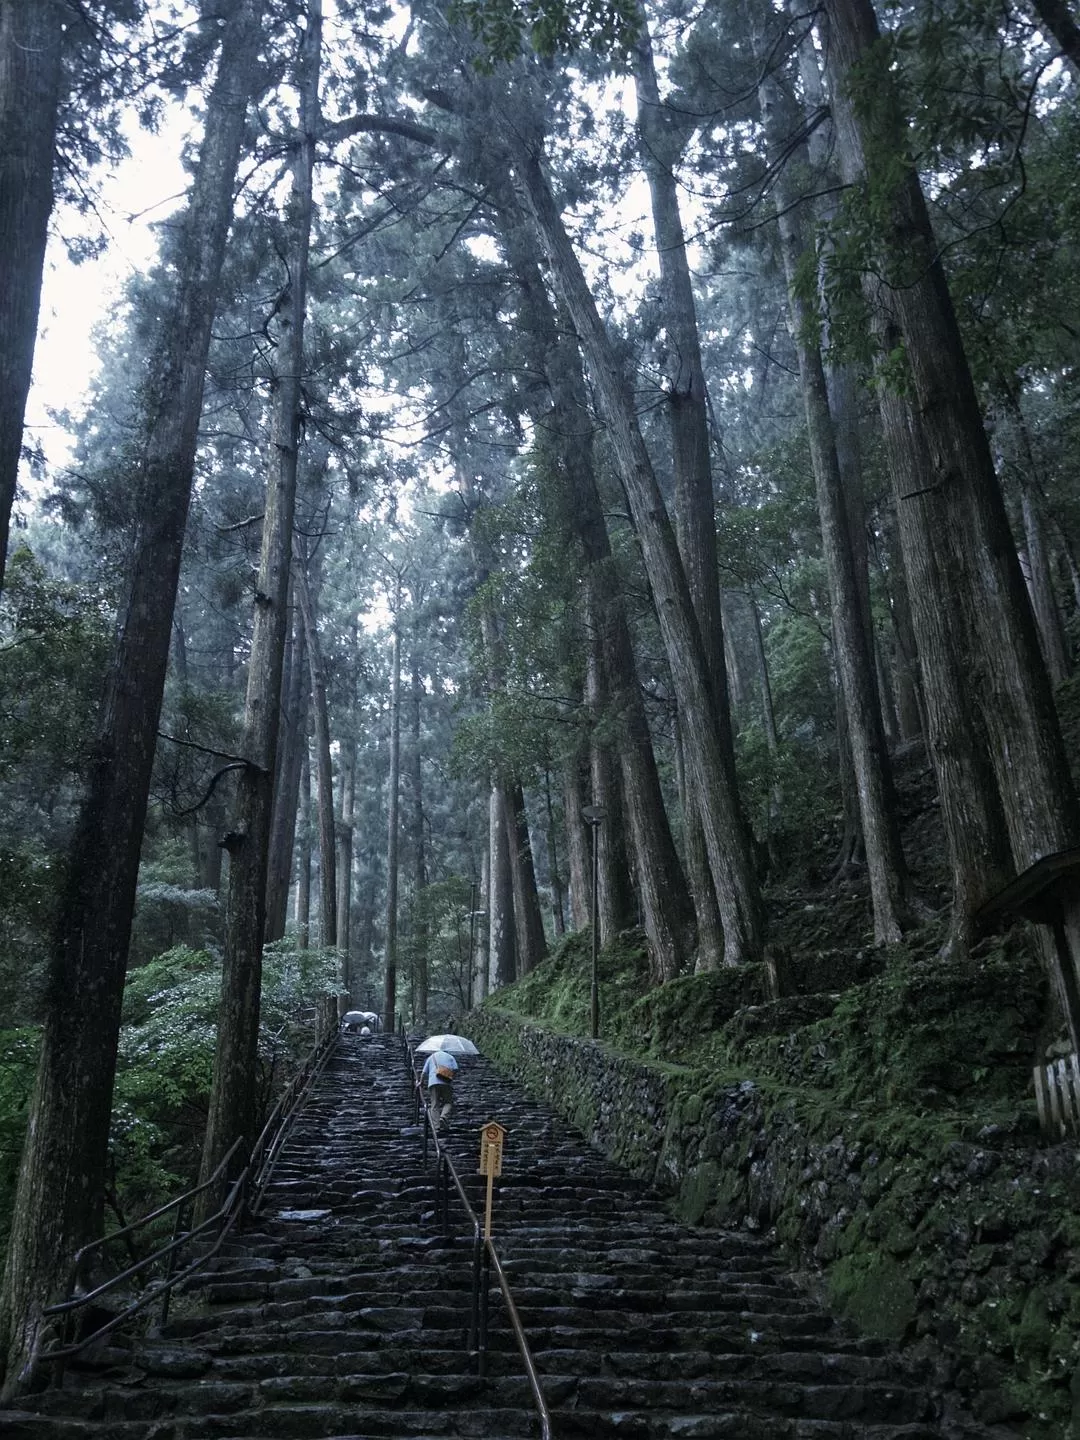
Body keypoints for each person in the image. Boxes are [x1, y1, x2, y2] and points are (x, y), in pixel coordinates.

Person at [419, 1048, 458, 1133]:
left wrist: (421, 1083)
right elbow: (455, 1069)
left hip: (433, 1082)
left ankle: (436, 1127)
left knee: (434, 1104)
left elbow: (424, 1072)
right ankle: (443, 1117)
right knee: (448, 1102)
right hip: (446, 1082)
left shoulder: (431, 1057)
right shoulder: (450, 1057)